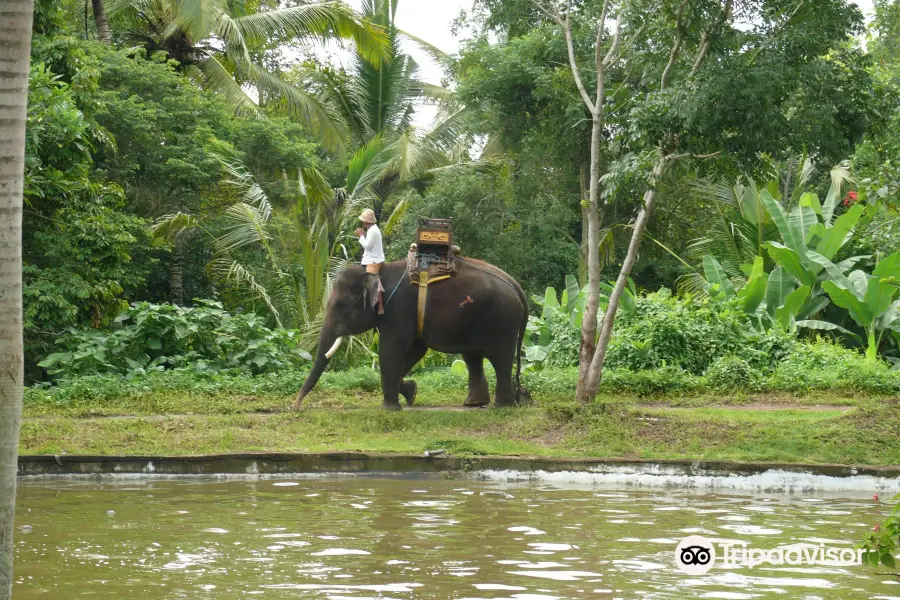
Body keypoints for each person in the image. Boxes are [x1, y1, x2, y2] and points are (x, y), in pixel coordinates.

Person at [355, 208, 385, 314]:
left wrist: (361, 236)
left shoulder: (373, 231)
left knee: (373, 282)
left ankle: (380, 306)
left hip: (374, 260)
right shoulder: (372, 230)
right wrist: (363, 235)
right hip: (372, 258)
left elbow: (367, 246)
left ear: (366, 221)